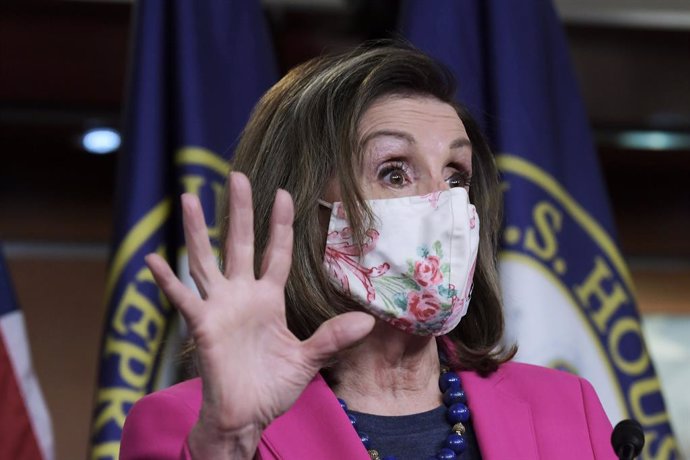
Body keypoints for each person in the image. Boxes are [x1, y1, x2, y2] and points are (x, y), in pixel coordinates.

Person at [120, 42, 616, 460]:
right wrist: (225, 445)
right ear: (299, 201)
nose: (443, 204)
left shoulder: (566, 405)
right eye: (395, 171)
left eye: (456, 175)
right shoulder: (182, 424)